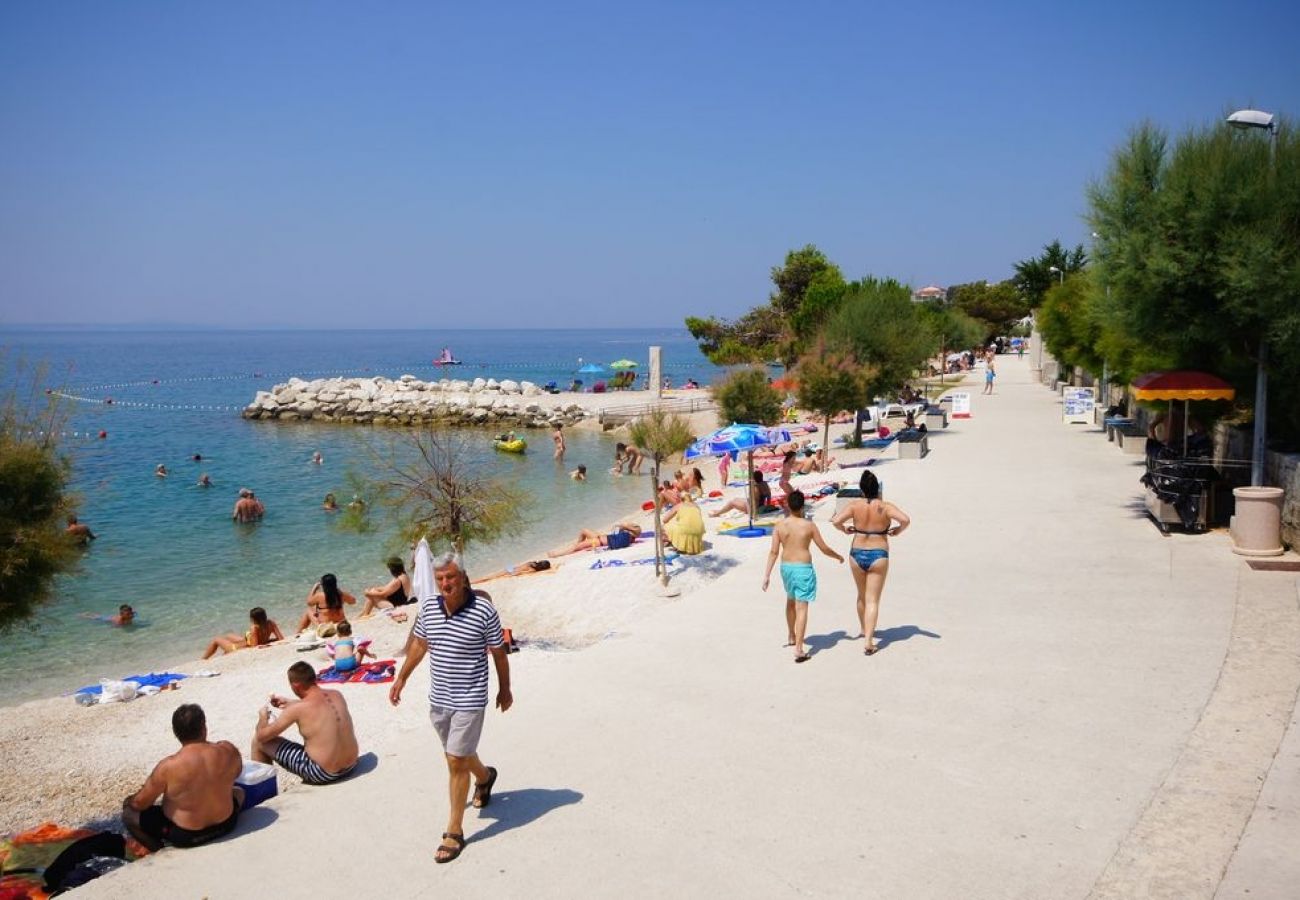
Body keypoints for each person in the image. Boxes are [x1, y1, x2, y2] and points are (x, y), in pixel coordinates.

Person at [389, 552, 512, 864]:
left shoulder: (484, 610)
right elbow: (420, 643)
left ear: (463, 577)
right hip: (440, 698)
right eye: (440, 578)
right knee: (458, 754)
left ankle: (454, 831)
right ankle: (484, 778)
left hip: (470, 697)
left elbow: (498, 652)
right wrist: (401, 678)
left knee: (455, 760)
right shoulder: (429, 606)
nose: (445, 583)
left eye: (451, 577)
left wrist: (505, 689)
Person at [122, 704, 243, 852]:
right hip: (227, 824)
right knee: (239, 792)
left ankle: (158, 851)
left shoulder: (168, 766)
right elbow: (237, 773)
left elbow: (140, 804)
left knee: (129, 815)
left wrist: (128, 801)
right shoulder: (227, 749)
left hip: (187, 836)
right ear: (204, 728)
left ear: (176, 733)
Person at [830, 470, 911, 655]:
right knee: (873, 599)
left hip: (857, 552)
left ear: (862, 489)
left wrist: (845, 530)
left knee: (861, 595)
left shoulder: (854, 505)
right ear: (878, 489)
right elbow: (905, 520)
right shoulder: (885, 506)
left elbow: (835, 521)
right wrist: (897, 531)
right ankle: (868, 640)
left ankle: (863, 629)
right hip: (878, 552)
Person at [762, 491, 844, 662]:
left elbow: (773, 552)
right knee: (801, 607)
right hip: (803, 568)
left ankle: (792, 635)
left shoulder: (779, 526)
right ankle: (799, 649)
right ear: (802, 506)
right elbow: (824, 548)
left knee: (790, 601)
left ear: (787, 505)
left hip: (786, 569)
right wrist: (838, 556)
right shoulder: (809, 526)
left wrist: (767, 575)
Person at [253, 662, 359, 785]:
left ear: (296, 686)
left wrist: (262, 718)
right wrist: (292, 703)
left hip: (324, 773)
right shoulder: (337, 694)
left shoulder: (297, 709)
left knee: (259, 743)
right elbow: (316, 705)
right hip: (351, 765)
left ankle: (262, 794)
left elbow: (262, 736)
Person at [203, 607, 284, 659]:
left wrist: (266, 642)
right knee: (229, 635)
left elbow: (255, 646)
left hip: (239, 648)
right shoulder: (271, 623)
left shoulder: (254, 628)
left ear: (254, 619)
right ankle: (225, 653)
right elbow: (281, 638)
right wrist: (269, 641)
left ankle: (203, 659)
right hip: (246, 641)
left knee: (216, 640)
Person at [547, 522, 643, 557]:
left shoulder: (624, 535)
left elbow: (615, 542)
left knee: (577, 546)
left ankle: (556, 554)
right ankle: (578, 546)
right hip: (601, 538)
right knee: (584, 531)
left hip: (599, 541)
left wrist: (621, 526)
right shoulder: (629, 538)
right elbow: (614, 537)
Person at [710, 470, 775, 518]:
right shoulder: (764, 484)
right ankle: (720, 511)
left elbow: (752, 503)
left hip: (753, 508)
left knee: (732, 503)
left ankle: (717, 513)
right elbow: (769, 496)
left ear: (753, 478)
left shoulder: (755, 488)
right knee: (736, 499)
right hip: (760, 505)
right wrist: (767, 506)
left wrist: (750, 515)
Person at [473, 559, 554, 583]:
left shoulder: (532, 564)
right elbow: (518, 571)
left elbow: (518, 570)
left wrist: (513, 573)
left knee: (489, 577)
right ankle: (472, 582)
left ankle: (473, 581)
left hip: (511, 568)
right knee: (489, 577)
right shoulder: (532, 566)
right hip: (510, 569)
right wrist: (512, 574)